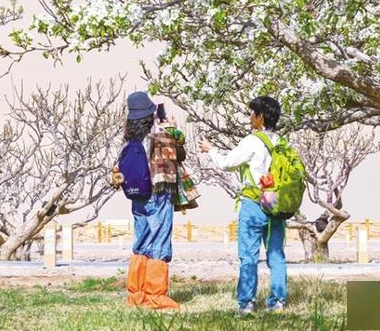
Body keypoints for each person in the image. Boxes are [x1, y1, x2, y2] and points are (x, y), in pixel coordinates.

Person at [198, 96, 286, 314]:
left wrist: (210, 150)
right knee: (276, 254)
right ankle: (277, 302)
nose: (249, 118)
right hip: (275, 202)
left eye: (252, 113)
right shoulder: (281, 142)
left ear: (260, 117)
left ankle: (246, 303)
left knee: (248, 255)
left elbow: (227, 163)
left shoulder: (252, 141)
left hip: (253, 202)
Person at [122, 91, 180, 310]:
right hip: (158, 193)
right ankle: (156, 296)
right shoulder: (160, 135)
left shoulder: (130, 140)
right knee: (159, 242)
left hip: (138, 196)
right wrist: (172, 129)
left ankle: (137, 295)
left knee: (142, 242)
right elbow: (178, 155)